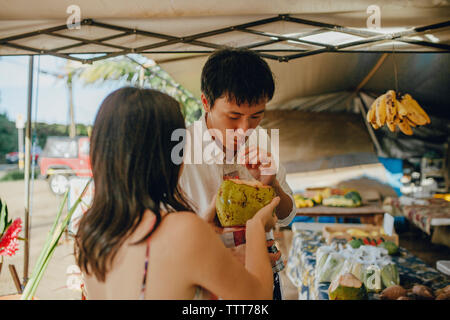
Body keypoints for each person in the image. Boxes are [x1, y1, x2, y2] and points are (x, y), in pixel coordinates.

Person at [75, 87, 280, 299]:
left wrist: (205, 231)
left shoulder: (91, 231)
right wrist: (255, 228)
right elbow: (258, 300)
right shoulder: (184, 230)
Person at [178, 48, 297, 300]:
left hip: (263, 276)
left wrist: (272, 183)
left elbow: (286, 217)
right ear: (205, 102)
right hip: (207, 284)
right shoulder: (182, 150)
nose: (245, 128)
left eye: (256, 116)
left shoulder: (262, 138)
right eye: (234, 116)